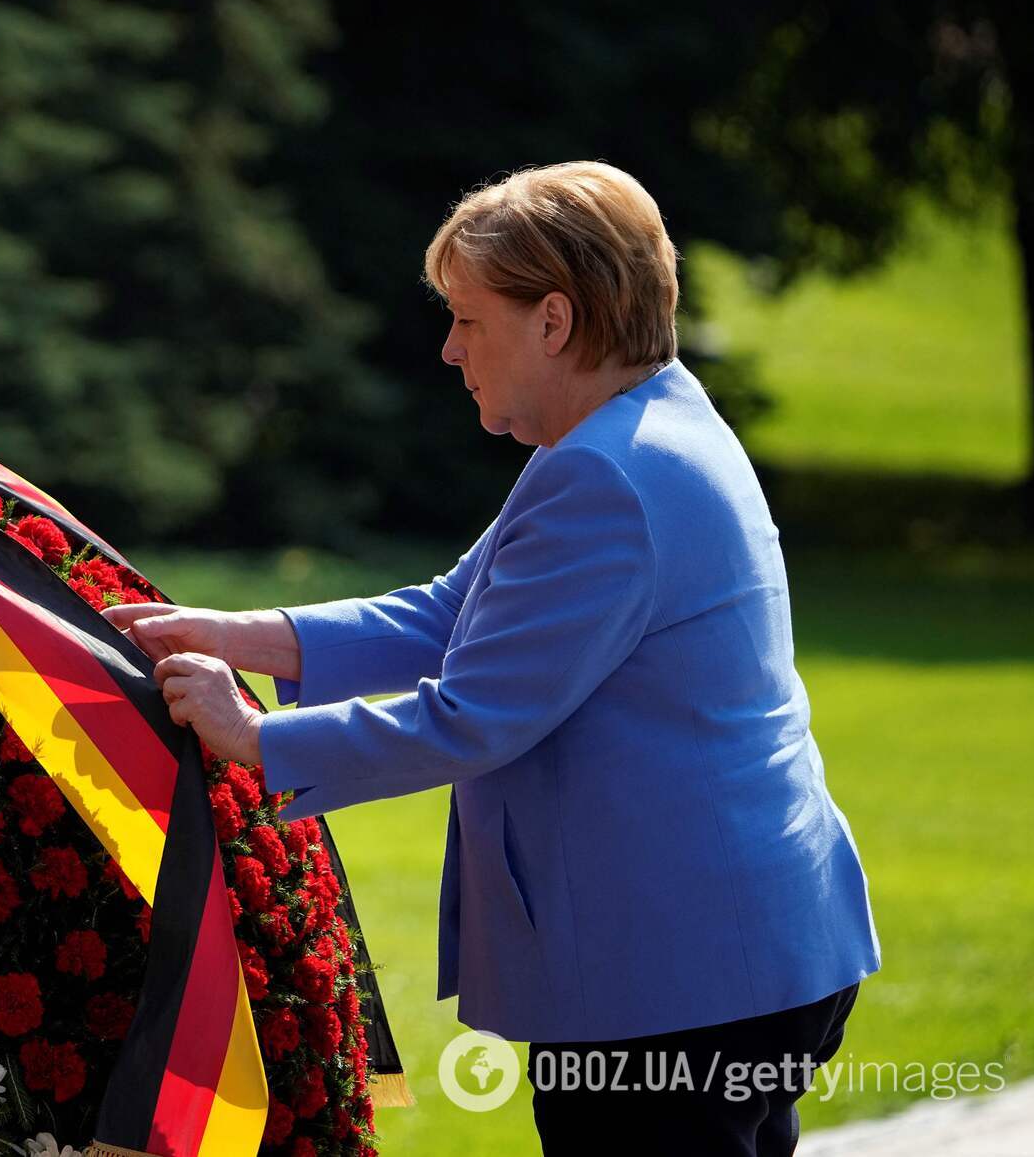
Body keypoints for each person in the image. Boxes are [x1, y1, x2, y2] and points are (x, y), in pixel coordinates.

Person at [108, 161, 880, 1156]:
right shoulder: (632, 431)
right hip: (733, 958)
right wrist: (235, 633)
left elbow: (470, 713)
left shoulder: (605, 473)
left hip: (672, 984)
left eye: (467, 318)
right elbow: (453, 612)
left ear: (551, 320)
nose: (446, 347)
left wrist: (253, 736)